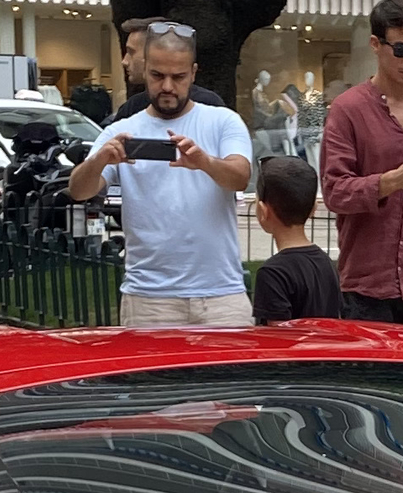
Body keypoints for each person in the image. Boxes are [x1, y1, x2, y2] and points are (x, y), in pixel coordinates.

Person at [67, 23, 255, 328]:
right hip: (149, 299)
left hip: (221, 296)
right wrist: (99, 160)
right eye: (157, 76)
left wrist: (204, 161)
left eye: (178, 77)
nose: (167, 86)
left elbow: (240, 176)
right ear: (145, 70)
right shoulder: (121, 130)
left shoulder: (223, 121)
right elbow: (79, 190)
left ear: (193, 73)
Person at [320, 0, 403, 327]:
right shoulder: (347, 109)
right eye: (402, 50)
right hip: (369, 284)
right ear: (376, 45)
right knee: (371, 379)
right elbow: (335, 191)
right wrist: (392, 181)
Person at [250, 155, 343, 323]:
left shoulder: (272, 273)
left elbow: (276, 336)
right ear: (313, 209)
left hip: (291, 350)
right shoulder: (327, 263)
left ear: (263, 211)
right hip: (324, 347)